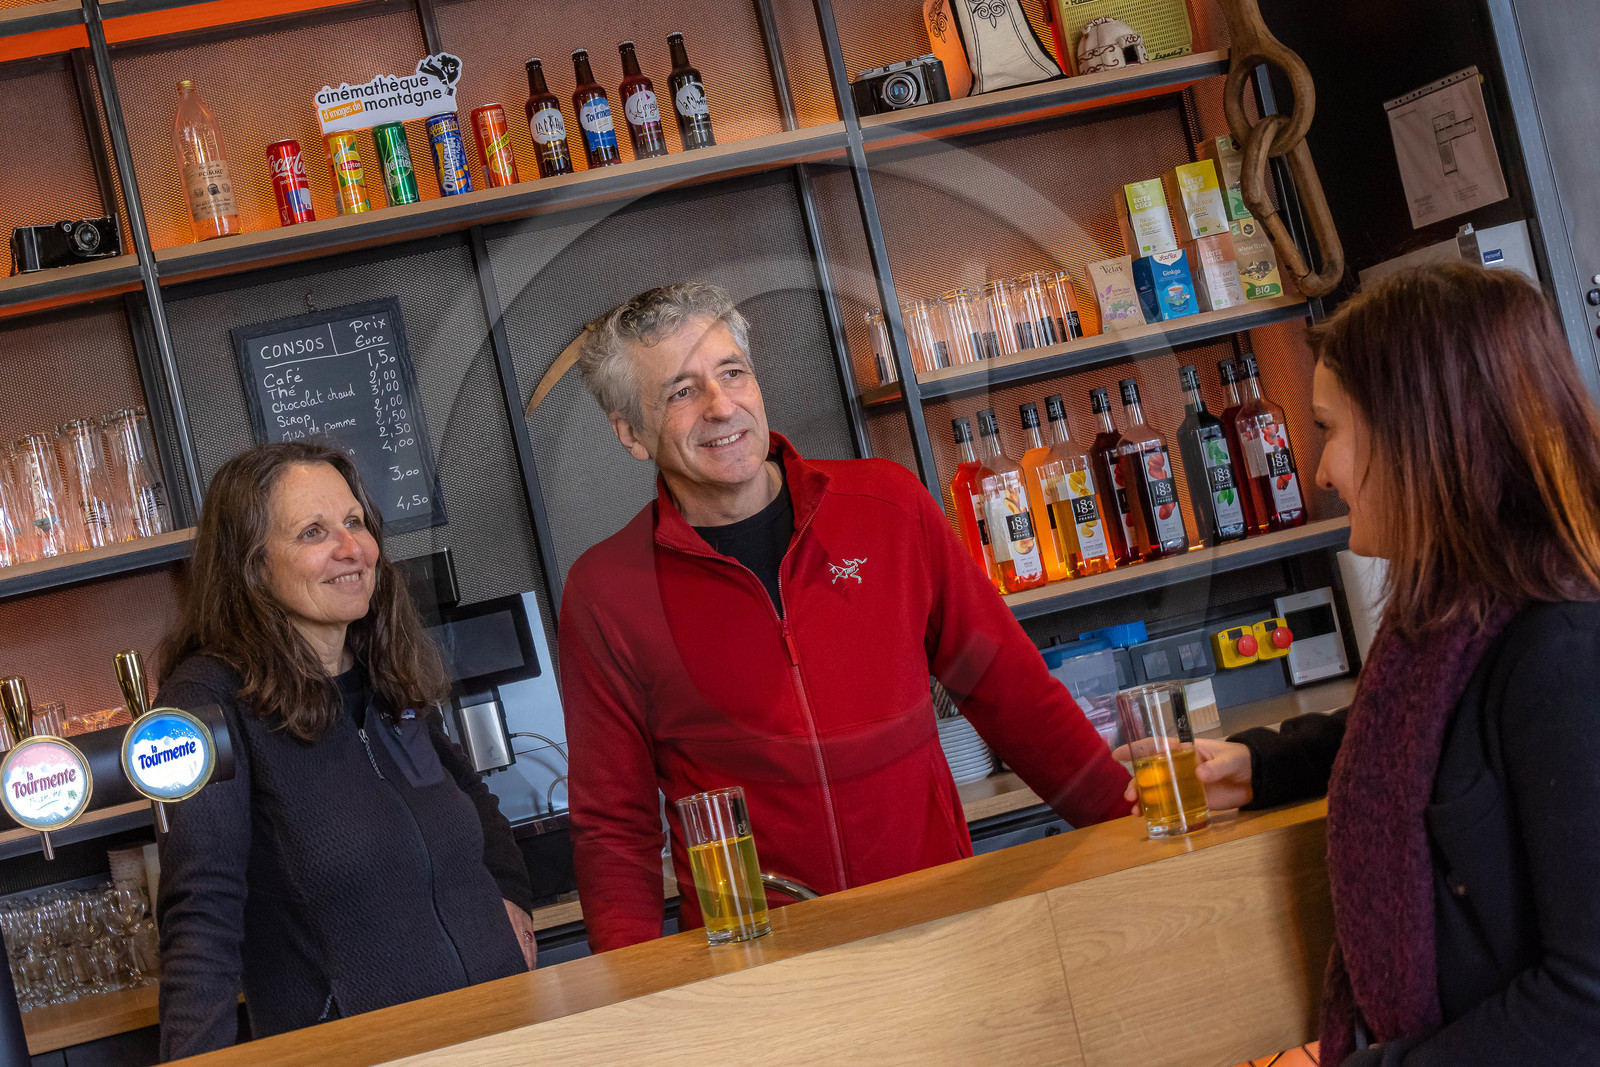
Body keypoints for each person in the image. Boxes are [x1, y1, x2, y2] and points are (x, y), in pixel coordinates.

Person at [559, 282, 1131, 953]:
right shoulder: (607, 592)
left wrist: (1136, 828)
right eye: (680, 392)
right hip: (762, 975)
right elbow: (614, 827)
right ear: (630, 432)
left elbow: (1013, 693)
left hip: (946, 932)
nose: (722, 406)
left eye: (732, 373)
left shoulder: (888, 506)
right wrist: (634, 1001)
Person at [1139, 263, 1600, 1064]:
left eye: (1329, 430)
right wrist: (1260, 762)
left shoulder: (1561, 651)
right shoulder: (1461, 620)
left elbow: (1587, 1003)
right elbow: (1429, 749)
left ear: (1422, 433)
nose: (1319, 471)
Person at [153, 441, 540, 1059]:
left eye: (354, 522)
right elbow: (202, 909)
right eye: (313, 532)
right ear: (252, 567)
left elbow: (471, 799)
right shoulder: (204, 701)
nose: (350, 547)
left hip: (499, 1031)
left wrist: (512, 899)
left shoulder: (382, 674)